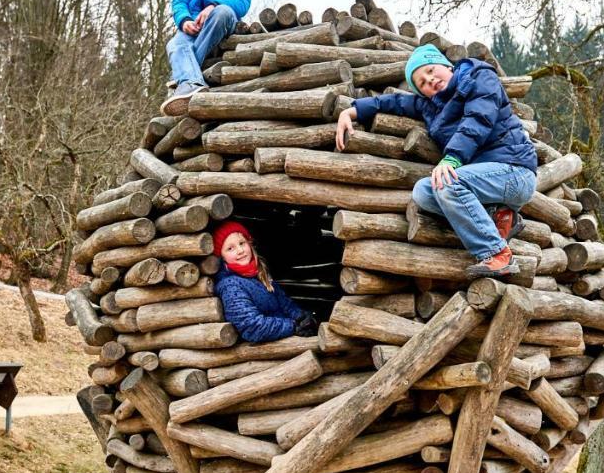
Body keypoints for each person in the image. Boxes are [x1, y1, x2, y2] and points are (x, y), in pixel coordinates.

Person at [334, 44, 537, 278]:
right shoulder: (430, 107)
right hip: (486, 180)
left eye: (431, 70)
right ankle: (499, 216)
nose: (429, 80)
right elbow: (391, 103)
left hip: (514, 171)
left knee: (447, 182)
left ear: (446, 65)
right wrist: (349, 112)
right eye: (421, 83)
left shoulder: (479, 76)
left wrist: (452, 158)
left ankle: (497, 253)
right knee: (423, 191)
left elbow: (478, 119)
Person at [212, 221, 317, 343]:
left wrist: (303, 317)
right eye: (230, 248)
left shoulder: (259, 273)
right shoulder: (230, 286)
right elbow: (252, 326)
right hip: (265, 349)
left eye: (242, 243)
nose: (240, 250)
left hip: (284, 337)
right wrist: (293, 326)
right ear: (222, 257)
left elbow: (284, 303)